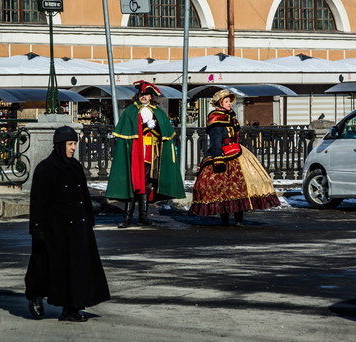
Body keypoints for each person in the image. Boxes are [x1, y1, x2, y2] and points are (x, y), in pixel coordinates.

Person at [25, 125, 110, 322]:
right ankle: (35, 296)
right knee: (46, 267)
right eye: (70, 144)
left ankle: (70, 309)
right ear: (60, 144)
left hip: (77, 227)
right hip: (54, 228)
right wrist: (37, 229)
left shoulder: (75, 166)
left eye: (74, 144)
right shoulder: (45, 169)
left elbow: (84, 196)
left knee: (76, 270)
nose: (73, 148)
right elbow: (38, 202)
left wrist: (89, 222)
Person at [189, 89, 280, 226]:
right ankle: (224, 219)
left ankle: (239, 219)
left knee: (241, 187)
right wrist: (218, 159)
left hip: (237, 153)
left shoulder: (230, 116)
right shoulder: (216, 119)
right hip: (222, 154)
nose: (229, 104)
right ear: (220, 103)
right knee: (223, 189)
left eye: (229, 101)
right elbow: (215, 142)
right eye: (226, 101)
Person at [106, 80, 186, 228]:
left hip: (152, 153)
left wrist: (155, 127)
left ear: (151, 97)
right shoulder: (130, 111)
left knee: (147, 184)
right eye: (141, 94)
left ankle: (143, 217)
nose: (144, 97)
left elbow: (164, 133)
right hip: (135, 153)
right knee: (133, 183)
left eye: (146, 95)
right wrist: (144, 126)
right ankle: (127, 218)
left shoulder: (158, 112)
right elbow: (128, 132)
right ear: (138, 95)